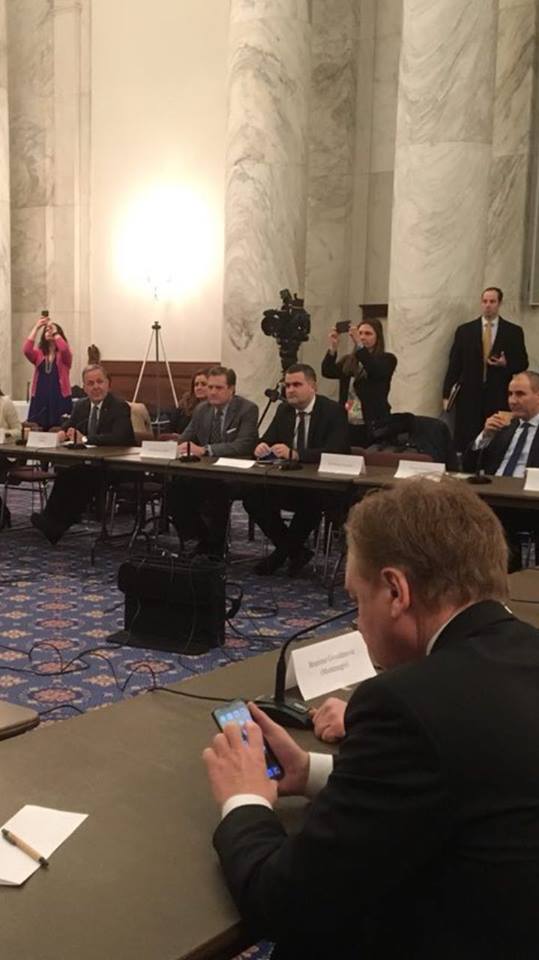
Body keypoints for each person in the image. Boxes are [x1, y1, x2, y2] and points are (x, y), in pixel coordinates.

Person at [204, 477, 539, 959]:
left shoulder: (406, 703)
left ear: (396, 591)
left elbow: (282, 902)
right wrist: (312, 772)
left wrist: (245, 798)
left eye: (358, 601)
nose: (357, 622)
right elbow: (470, 773)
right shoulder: (520, 652)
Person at [244, 363, 349, 576]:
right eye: (287, 385)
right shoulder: (284, 410)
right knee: (252, 496)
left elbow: (336, 451)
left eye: (296, 385)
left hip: (322, 485)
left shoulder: (333, 411)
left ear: (313, 386)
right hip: (289, 481)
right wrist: (260, 447)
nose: (290, 390)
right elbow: (267, 439)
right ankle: (296, 552)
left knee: (311, 502)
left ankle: (280, 555)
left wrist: (297, 454)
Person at [30, 363, 134, 544]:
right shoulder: (81, 406)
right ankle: (52, 521)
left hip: (118, 466)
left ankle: (57, 525)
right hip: (92, 464)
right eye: (90, 383)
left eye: (100, 382)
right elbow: (69, 426)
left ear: (108, 384)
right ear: (84, 387)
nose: (96, 387)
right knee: (66, 474)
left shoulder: (119, 406)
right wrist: (61, 434)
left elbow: (119, 437)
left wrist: (85, 439)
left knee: (80, 476)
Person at [168, 366, 258, 556]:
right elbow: (185, 437)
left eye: (218, 388)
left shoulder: (247, 409)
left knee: (215, 489)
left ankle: (215, 547)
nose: (212, 392)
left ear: (231, 389)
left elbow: (244, 445)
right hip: (205, 471)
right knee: (174, 486)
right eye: (210, 387)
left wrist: (206, 449)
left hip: (235, 473)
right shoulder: (202, 409)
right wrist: (175, 448)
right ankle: (203, 539)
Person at [463, 370, 539, 567]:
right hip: (492, 497)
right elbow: (468, 466)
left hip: (527, 503)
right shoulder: (503, 426)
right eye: (510, 394)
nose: (513, 401)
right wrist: (484, 436)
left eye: (520, 394)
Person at [443, 286, 528, 452]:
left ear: (499, 303)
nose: (488, 305)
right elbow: (454, 364)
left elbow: (523, 363)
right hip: (469, 395)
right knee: (467, 439)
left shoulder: (513, 331)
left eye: (492, 301)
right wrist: (446, 394)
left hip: (498, 394)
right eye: (485, 301)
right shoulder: (465, 331)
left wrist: (506, 363)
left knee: (496, 440)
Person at [321, 317, 396, 445]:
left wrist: (359, 346)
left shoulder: (387, 359)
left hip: (373, 421)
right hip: (348, 420)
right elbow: (327, 371)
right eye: (360, 333)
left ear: (378, 337)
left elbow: (374, 370)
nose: (362, 337)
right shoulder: (349, 360)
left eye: (368, 334)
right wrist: (333, 347)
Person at [23, 315, 73, 429]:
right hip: (40, 396)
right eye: (46, 330)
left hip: (59, 396)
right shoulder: (39, 354)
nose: (49, 331)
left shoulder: (64, 356)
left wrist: (55, 332)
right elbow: (26, 350)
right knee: (37, 427)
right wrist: (37, 327)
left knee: (59, 428)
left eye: (52, 329)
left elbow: (64, 348)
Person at [0, 388, 22, 529]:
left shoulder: (5, 403)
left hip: (6, 456)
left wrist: (4, 433)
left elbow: (18, 431)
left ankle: (2, 512)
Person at [167, 368, 210, 437]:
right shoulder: (184, 405)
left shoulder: (215, 408)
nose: (199, 388)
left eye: (203, 384)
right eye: (196, 385)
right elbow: (169, 430)